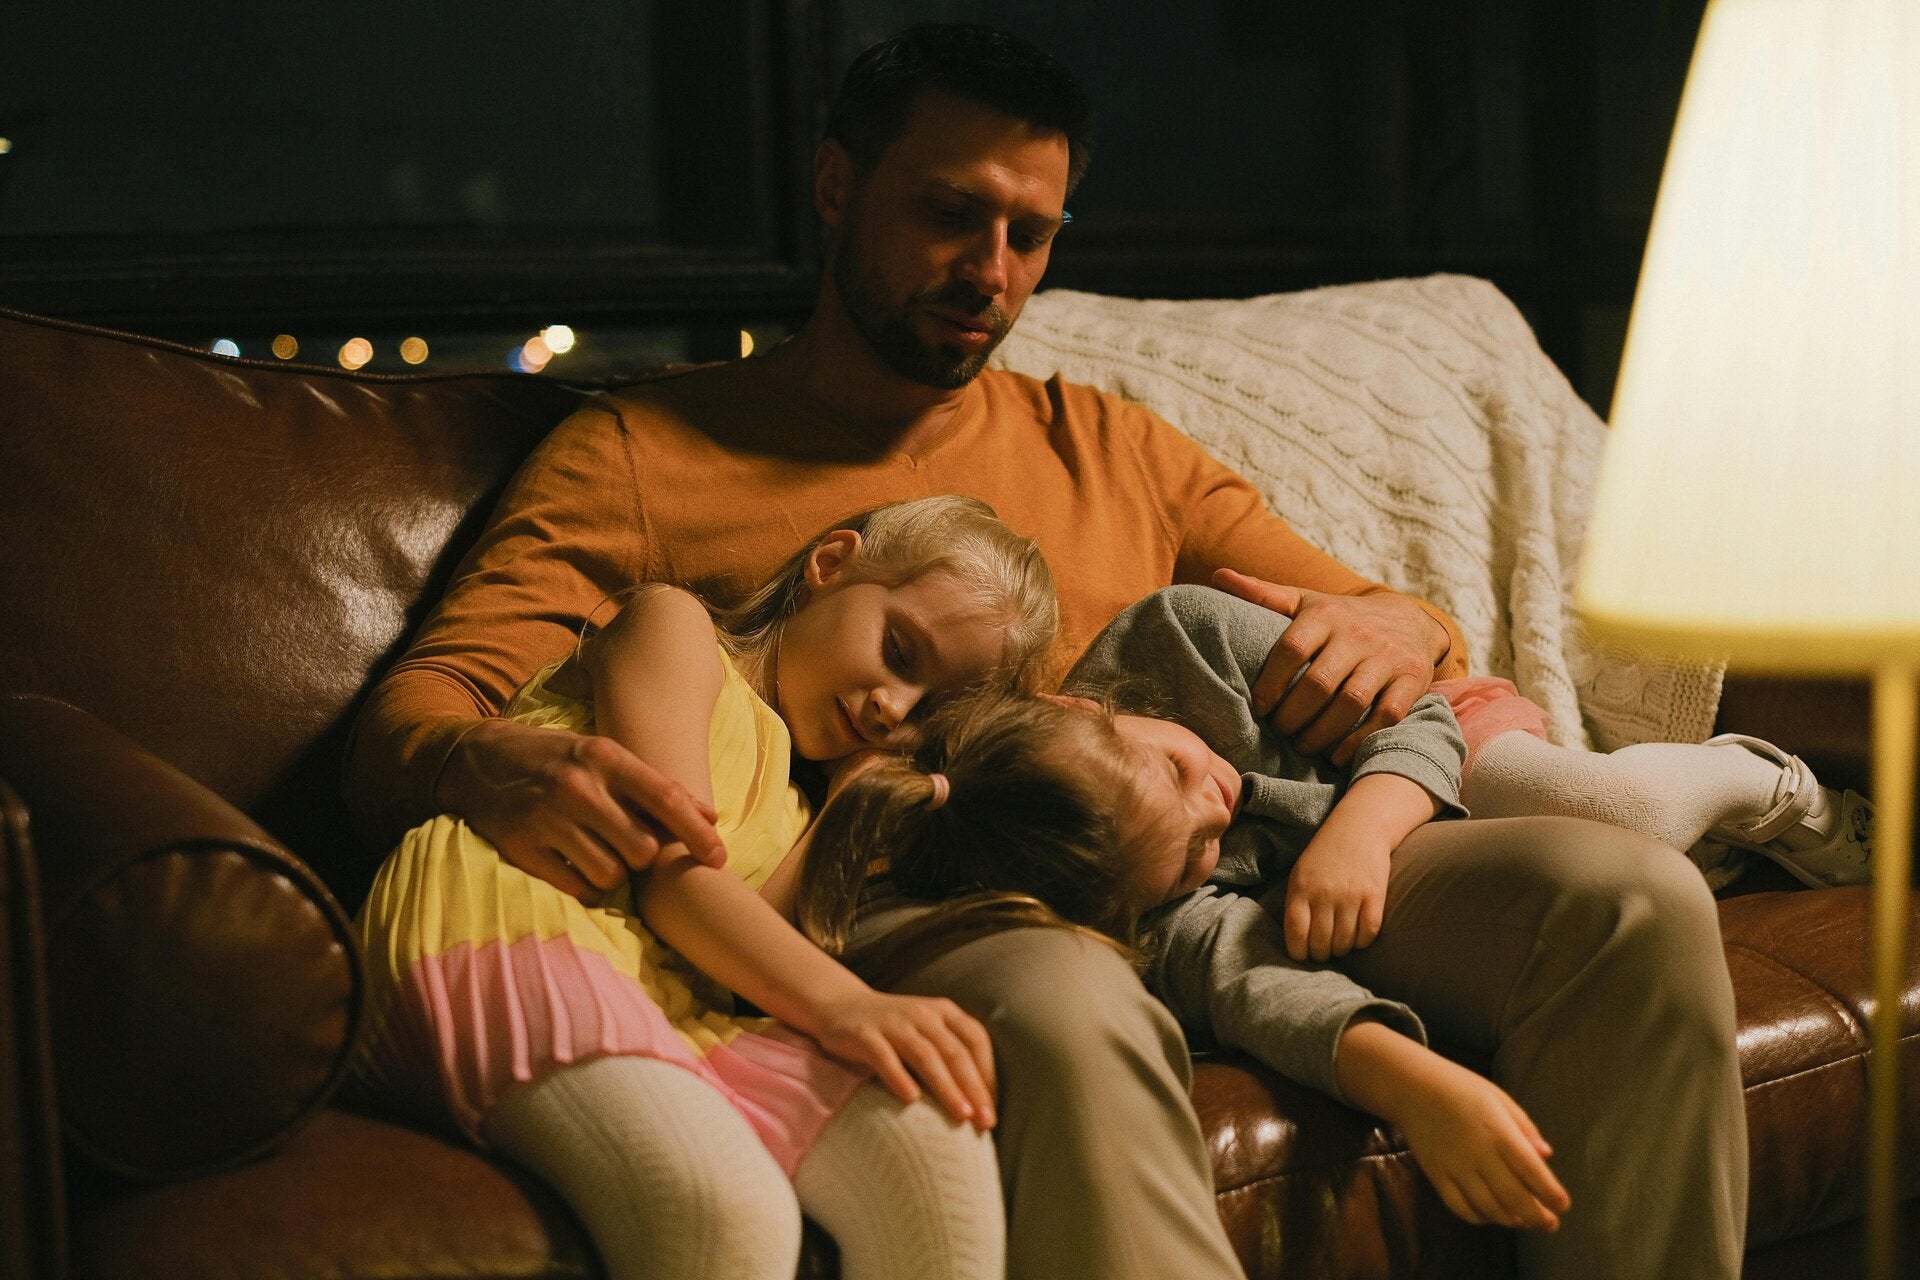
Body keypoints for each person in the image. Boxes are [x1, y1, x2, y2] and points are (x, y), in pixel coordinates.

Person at [344, 22, 1745, 1279]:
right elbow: (416, 713)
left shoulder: (1108, 443)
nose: (992, 271)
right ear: (835, 187)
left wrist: (1398, 622)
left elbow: (1392, 616)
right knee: (1075, 997)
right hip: (918, 885)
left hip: (1229, 861)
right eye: (951, 215)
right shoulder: (645, 452)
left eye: (1031, 232)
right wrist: (486, 764)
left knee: (1624, 898)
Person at [806, 581, 1874, 1240]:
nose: (1218, 801)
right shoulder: (1130, 892)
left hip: (1424, 781)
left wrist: (1361, 827)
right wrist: (1415, 1083)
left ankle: (1757, 785)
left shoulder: (1183, 635)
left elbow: (1417, 715)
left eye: (1178, 768)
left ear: (1082, 706)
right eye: (1193, 853)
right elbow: (1245, 975)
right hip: (1327, 899)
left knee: (1633, 858)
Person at [352, 496, 1058, 1280]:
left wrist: (852, 800)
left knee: (935, 1150)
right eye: (898, 651)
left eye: (932, 711)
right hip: (504, 926)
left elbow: (736, 954)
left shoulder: (797, 807)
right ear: (830, 565)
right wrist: (850, 1005)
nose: (893, 708)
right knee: (731, 1215)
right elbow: (676, 877)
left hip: (659, 997)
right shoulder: (674, 627)